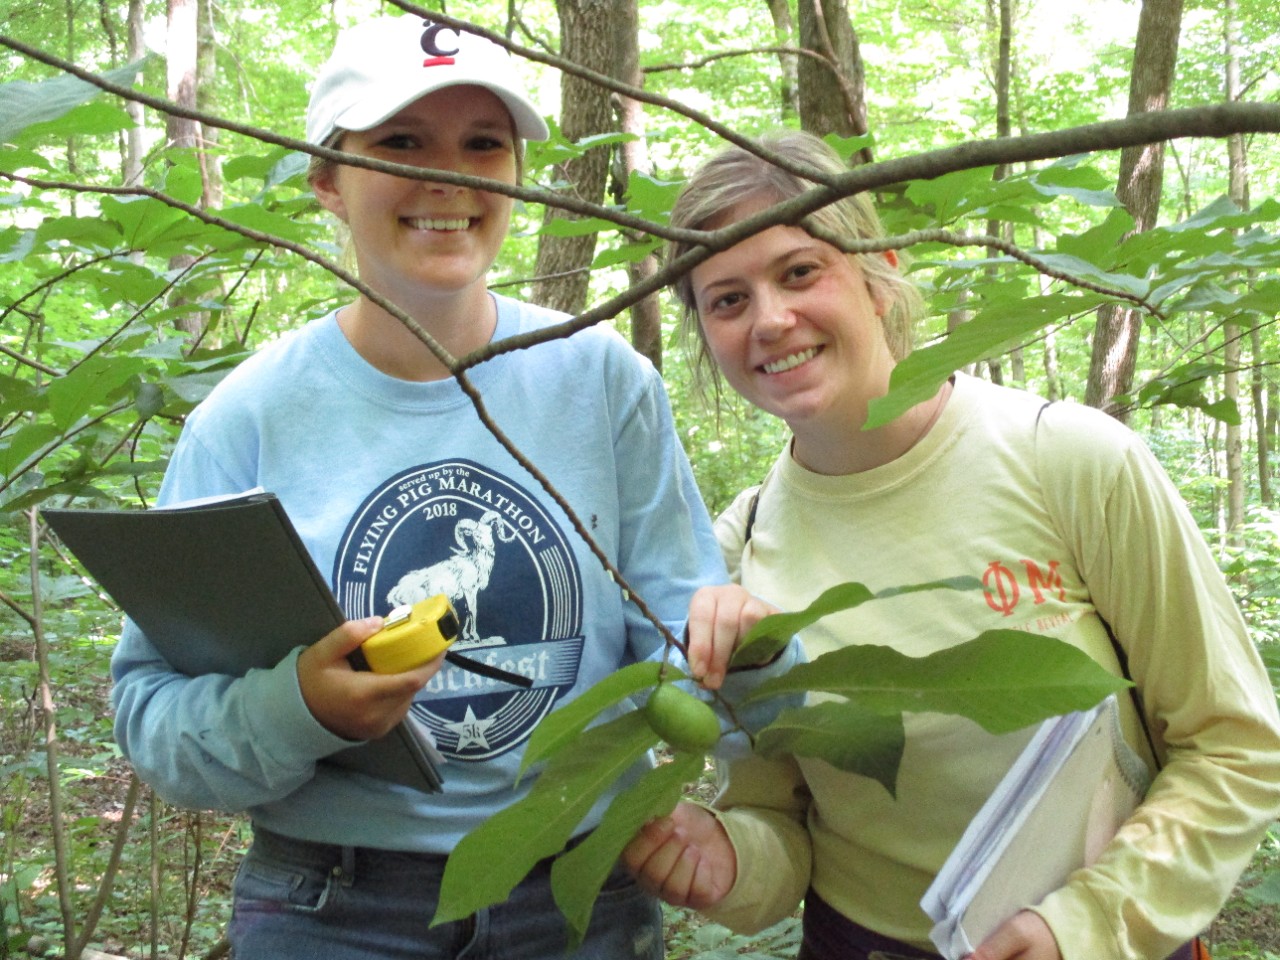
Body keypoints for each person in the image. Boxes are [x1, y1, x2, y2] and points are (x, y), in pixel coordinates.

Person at [109, 17, 798, 960]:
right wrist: (298, 710)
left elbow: (688, 650)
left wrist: (747, 660)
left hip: (580, 892)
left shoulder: (599, 382)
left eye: (485, 144)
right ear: (326, 178)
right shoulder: (249, 418)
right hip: (333, 904)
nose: (454, 176)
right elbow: (153, 718)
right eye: (401, 142)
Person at [622, 129, 1280, 960]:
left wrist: (1082, 925)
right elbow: (780, 822)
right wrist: (724, 860)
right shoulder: (740, 551)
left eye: (799, 271)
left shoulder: (1066, 462)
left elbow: (1233, 743)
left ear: (880, 271)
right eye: (727, 299)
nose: (771, 319)